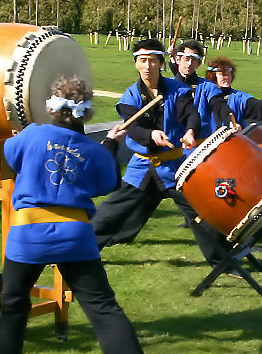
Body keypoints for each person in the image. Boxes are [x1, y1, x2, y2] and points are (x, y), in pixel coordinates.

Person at [0, 75, 173, 354]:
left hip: (29, 233)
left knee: (13, 301)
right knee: (103, 306)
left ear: (51, 106)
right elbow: (105, 183)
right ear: (85, 113)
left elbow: (10, 156)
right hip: (75, 236)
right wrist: (109, 144)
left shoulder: (32, 135)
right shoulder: (93, 151)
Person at [89, 39, 240, 277]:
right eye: (142, 61)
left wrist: (191, 131)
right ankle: (77, 253)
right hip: (143, 167)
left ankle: (225, 263)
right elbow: (135, 128)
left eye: (152, 60)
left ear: (161, 63)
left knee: (200, 211)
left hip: (174, 167)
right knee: (111, 213)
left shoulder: (178, 90)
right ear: (136, 64)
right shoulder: (130, 96)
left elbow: (190, 114)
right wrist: (151, 134)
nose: (147, 66)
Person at [204, 56, 262, 126]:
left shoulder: (238, 97)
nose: (227, 77)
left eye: (229, 74)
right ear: (212, 76)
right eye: (223, 74)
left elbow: (257, 106)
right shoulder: (202, 94)